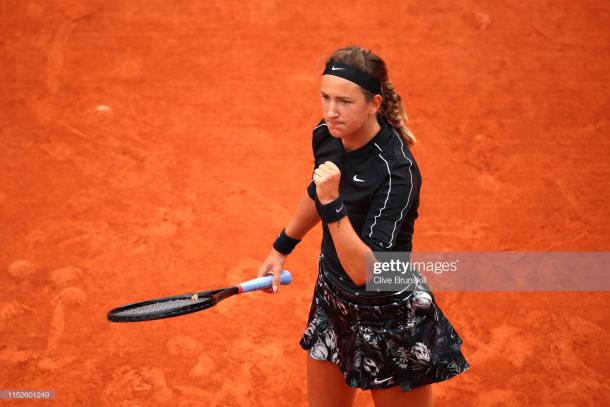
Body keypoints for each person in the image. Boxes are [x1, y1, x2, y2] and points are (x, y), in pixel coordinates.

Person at [257, 45, 470, 407]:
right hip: (334, 301)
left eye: (344, 101)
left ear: (374, 104)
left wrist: (333, 202)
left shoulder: (397, 173)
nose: (330, 112)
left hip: (389, 313)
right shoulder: (327, 133)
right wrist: (281, 247)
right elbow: (317, 187)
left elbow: (364, 271)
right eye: (325, 97)